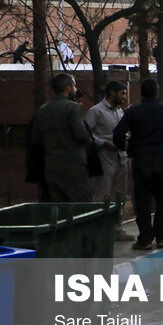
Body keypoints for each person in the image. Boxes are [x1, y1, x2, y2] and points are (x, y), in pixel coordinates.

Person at [113, 79, 163, 250]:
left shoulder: (132, 112)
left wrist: (127, 147)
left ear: (141, 93)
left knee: (143, 200)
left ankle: (145, 239)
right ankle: (161, 237)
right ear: (157, 92)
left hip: (141, 159)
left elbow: (117, 134)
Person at [30, 73, 92, 202]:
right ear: (68, 87)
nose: (75, 89)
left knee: (59, 209)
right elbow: (81, 135)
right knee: (80, 208)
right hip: (73, 166)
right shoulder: (72, 107)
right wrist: (90, 141)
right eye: (74, 86)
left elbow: (36, 139)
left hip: (52, 167)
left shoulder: (42, 109)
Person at [85, 80, 133, 241]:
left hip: (121, 157)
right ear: (112, 93)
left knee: (119, 194)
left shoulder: (120, 112)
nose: (125, 97)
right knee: (102, 194)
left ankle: (117, 229)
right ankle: (97, 230)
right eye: (122, 93)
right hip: (104, 158)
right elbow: (85, 133)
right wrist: (103, 143)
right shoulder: (96, 111)